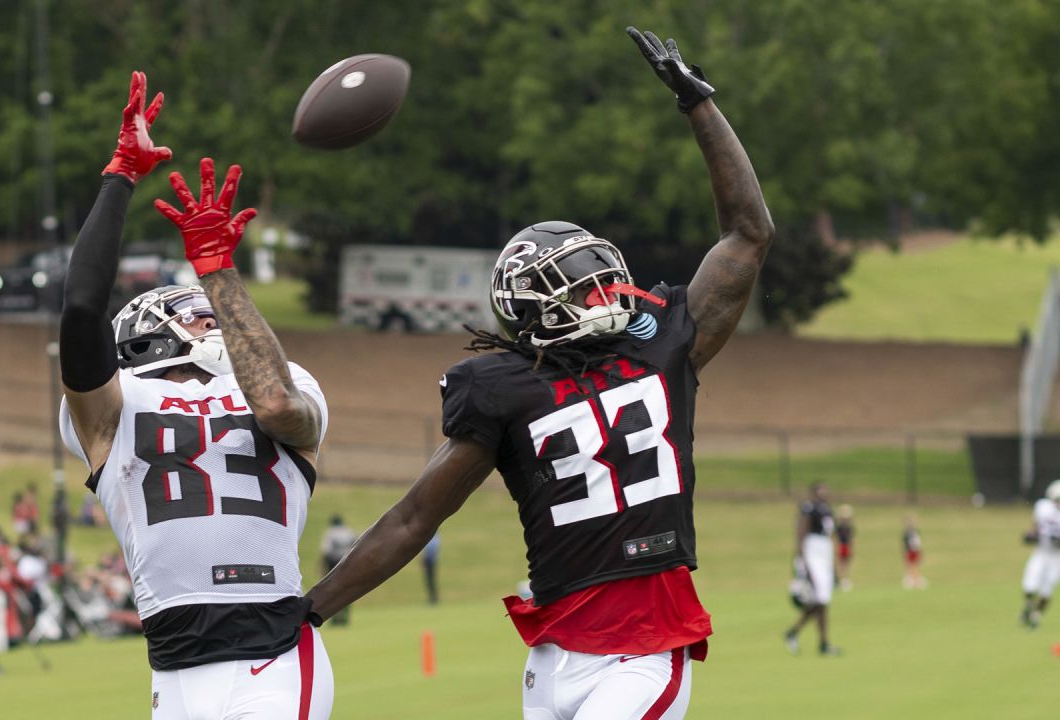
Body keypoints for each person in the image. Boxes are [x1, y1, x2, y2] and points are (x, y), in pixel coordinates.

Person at [304, 26, 774, 720]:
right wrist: (307, 611)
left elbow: (748, 233)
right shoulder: (501, 390)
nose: (605, 292)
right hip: (554, 656)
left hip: (642, 651)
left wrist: (699, 108)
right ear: (532, 311)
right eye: (580, 285)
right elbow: (413, 518)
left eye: (600, 275)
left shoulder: (664, 347)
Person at [58, 71, 332, 718]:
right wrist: (120, 174)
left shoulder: (283, 386)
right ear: (149, 336)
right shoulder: (115, 409)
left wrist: (217, 270)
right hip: (173, 666)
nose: (214, 319)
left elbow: (277, 408)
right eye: (199, 312)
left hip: (270, 648)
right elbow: (79, 310)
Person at [784, 482, 840, 656]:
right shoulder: (809, 508)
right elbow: (801, 532)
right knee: (819, 600)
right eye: (821, 489)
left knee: (822, 600)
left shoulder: (827, 509)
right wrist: (802, 561)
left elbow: (830, 536)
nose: (825, 492)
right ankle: (821, 642)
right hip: (812, 551)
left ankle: (795, 633)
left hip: (824, 551)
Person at [1020, 480, 1060, 629]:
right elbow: (1035, 526)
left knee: (1046, 590)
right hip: (1041, 552)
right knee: (1029, 584)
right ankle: (1029, 606)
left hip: (1057, 557)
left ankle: (1036, 616)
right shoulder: (1042, 507)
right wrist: (1032, 535)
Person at [319, 516, 356, 626]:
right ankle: (345, 617)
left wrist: (322, 568)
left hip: (333, 564)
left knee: (331, 591)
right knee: (347, 590)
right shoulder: (349, 532)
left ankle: (334, 618)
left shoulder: (330, 533)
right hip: (348, 563)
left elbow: (326, 551)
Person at [902, 513, 926, 590]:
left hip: (914, 551)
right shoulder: (906, 533)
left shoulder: (915, 532)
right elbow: (906, 543)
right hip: (910, 551)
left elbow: (917, 543)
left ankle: (917, 581)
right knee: (910, 566)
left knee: (915, 566)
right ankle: (912, 580)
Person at [835, 504, 855, 591]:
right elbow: (836, 538)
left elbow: (851, 539)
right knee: (840, 564)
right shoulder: (839, 527)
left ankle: (845, 579)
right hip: (841, 546)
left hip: (847, 546)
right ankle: (839, 580)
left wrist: (852, 548)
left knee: (846, 564)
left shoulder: (850, 527)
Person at [422, 533, 440, 605]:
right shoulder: (435, 538)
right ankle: (433, 598)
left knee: (431, 581)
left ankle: (433, 598)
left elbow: (429, 551)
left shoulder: (431, 538)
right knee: (430, 581)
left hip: (430, 561)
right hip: (432, 561)